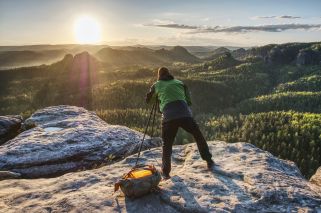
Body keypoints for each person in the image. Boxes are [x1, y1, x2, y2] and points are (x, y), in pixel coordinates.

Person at [146, 67, 214, 180]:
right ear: (169, 74)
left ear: (159, 76)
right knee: (197, 134)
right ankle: (208, 160)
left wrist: (160, 98)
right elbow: (189, 102)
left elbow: (149, 101)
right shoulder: (180, 83)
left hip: (168, 117)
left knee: (167, 144)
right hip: (184, 114)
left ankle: (166, 172)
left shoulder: (156, 85)